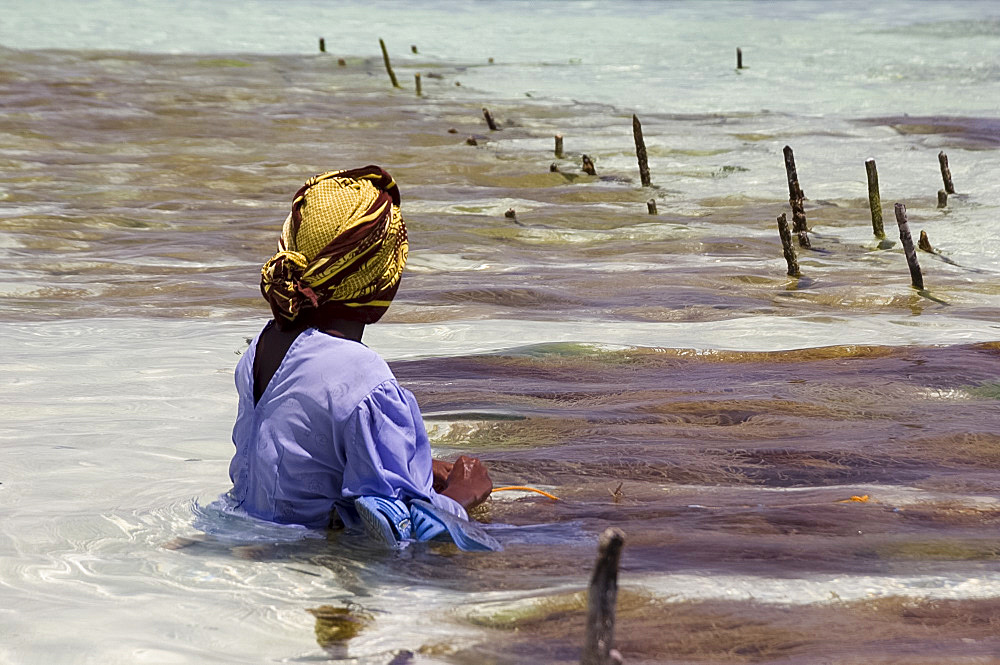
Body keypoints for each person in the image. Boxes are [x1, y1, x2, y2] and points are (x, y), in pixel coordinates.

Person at [225, 166, 495, 548]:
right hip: (312, 563)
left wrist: (406, 465)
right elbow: (403, 534)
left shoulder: (264, 345)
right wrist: (465, 493)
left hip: (247, 533)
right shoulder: (364, 377)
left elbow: (304, 460)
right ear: (379, 279)